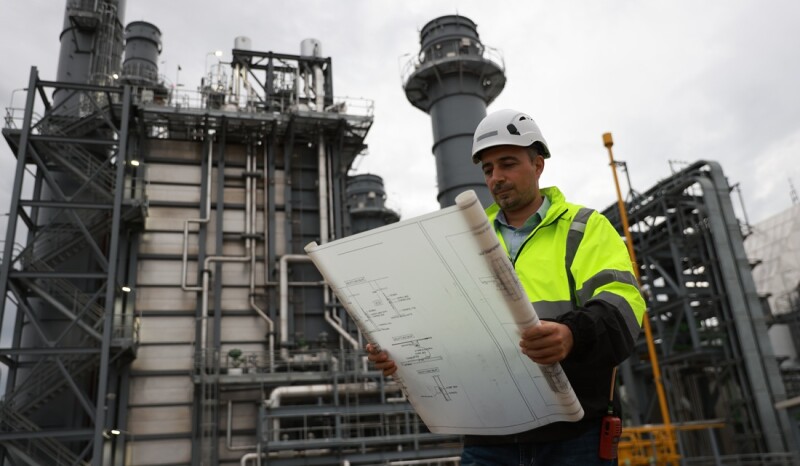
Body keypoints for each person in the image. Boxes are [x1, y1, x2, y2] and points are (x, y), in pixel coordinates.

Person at [367, 109, 646, 466]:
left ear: (538, 164)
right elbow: (443, 327)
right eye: (488, 169)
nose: (496, 177)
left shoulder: (584, 227)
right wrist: (400, 354)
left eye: (508, 163)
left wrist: (572, 334)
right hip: (489, 438)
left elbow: (622, 304)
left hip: (574, 435)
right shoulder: (462, 239)